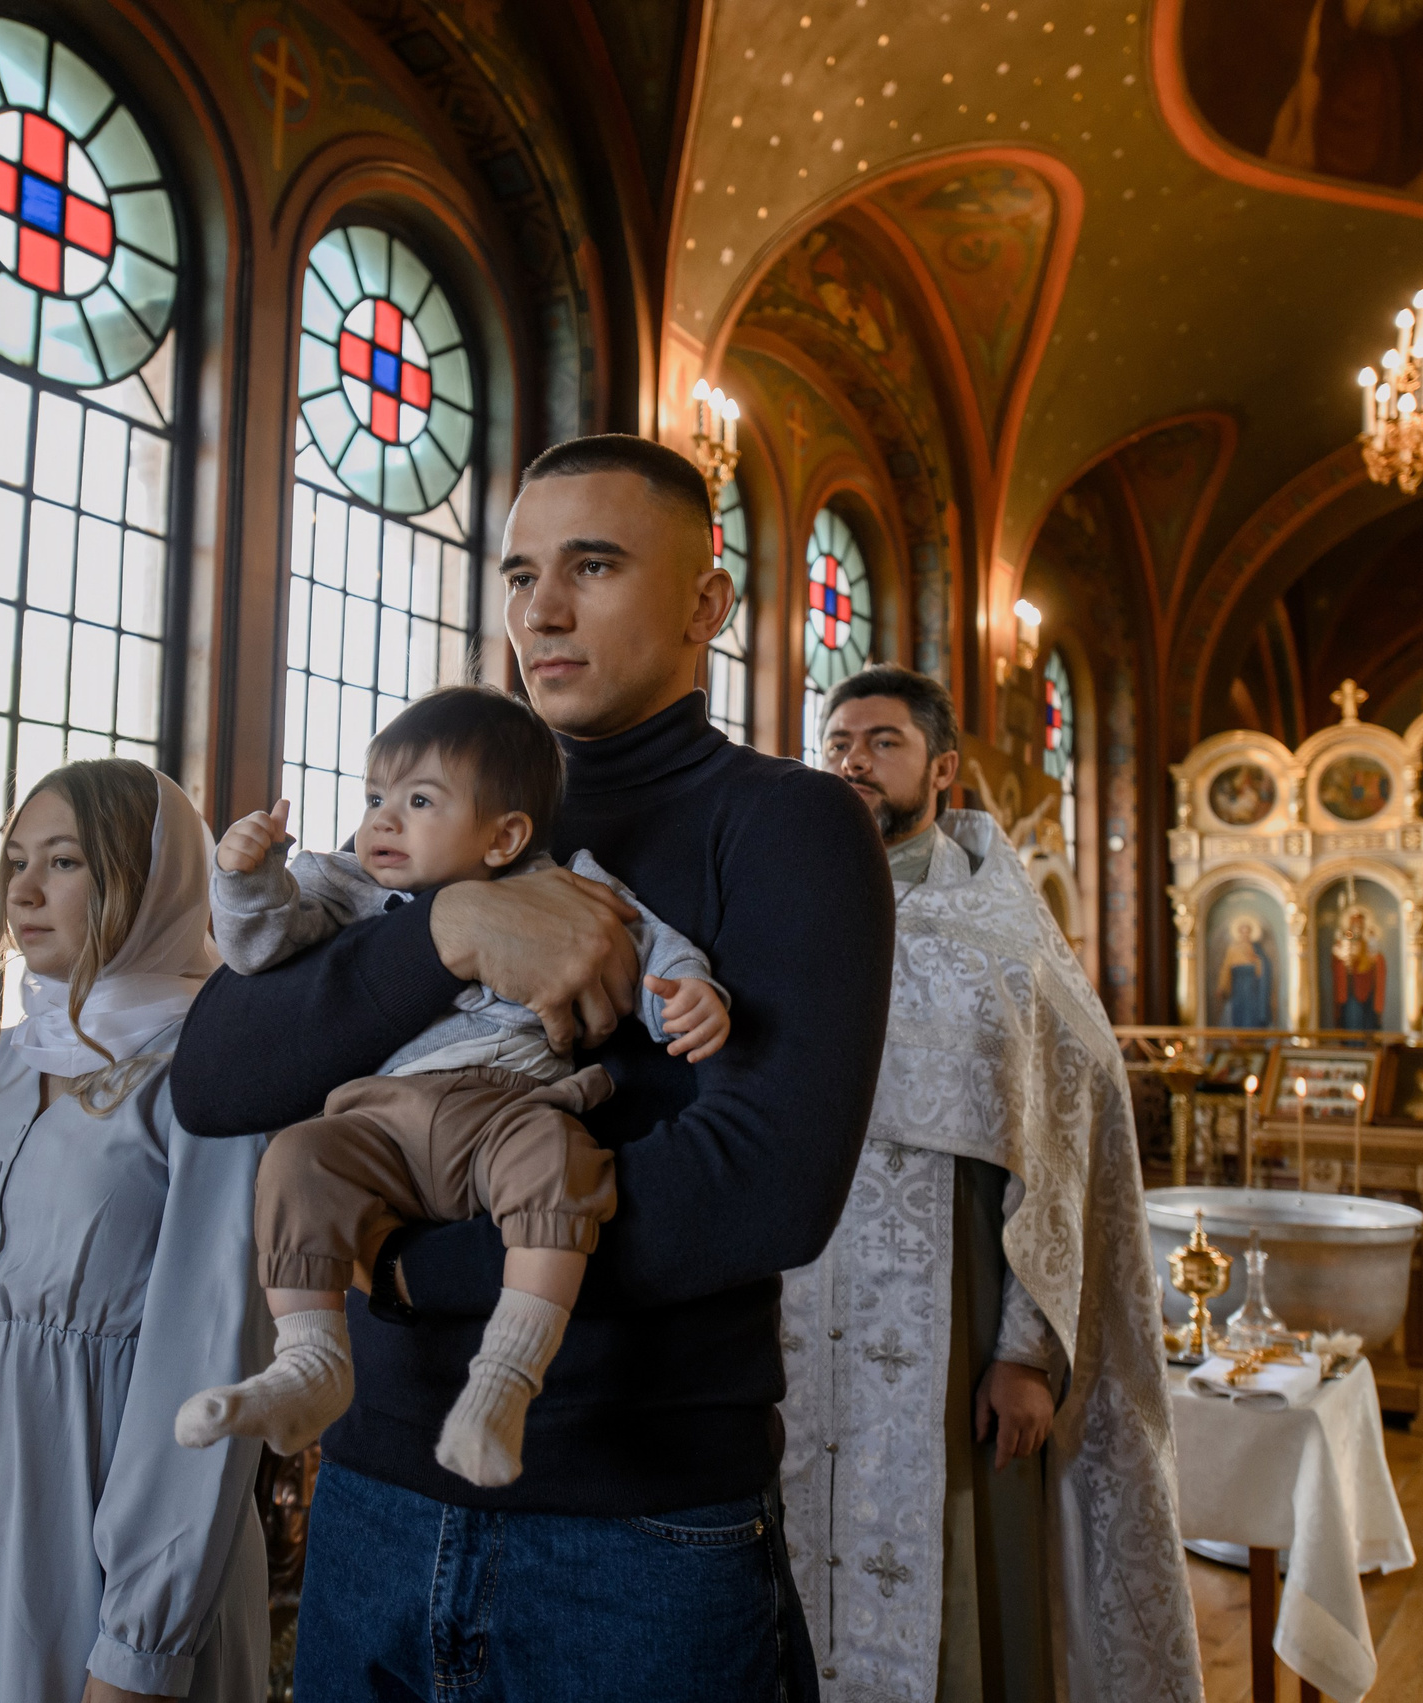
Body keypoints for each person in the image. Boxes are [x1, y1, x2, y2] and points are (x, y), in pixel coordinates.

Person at [169, 434, 895, 1701]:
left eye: (594, 564)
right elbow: (219, 1076)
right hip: (379, 1495)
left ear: (705, 605)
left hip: (638, 1528)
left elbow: (764, 1181)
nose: (540, 610)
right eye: (517, 575)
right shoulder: (433, 807)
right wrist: (451, 931)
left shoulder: (787, 822)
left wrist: (394, 1263)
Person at [174, 685, 729, 1488]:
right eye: (374, 797)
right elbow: (260, 952)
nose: (382, 820)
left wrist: (690, 990)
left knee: (562, 1163)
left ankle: (504, 1379)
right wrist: (248, 878)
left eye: (419, 799)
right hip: (380, 1121)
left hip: (507, 1109)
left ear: (506, 835)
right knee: (298, 1158)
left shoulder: (569, 883)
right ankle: (310, 1361)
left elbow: (642, 943)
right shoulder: (347, 885)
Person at [795, 665, 1202, 1703]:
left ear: (941, 770)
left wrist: (1026, 1350)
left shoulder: (1006, 944)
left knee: (950, 1587)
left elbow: (1065, 1146)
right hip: (786, 1314)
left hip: (953, 1312)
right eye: (836, 739)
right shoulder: (776, 906)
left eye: (879, 741)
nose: (849, 759)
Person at [0, 758, 268, 1703]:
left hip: (119, 1517)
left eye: (64, 863)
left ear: (147, 880)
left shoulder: (209, 1071)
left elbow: (211, 1353)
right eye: (15, 862)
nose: (22, 892)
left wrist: (141, 1641)